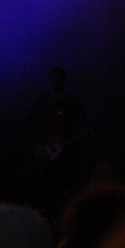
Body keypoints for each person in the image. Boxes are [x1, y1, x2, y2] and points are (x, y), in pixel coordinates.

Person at [28, 66, 86, 211]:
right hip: (47, 147)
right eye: (53, 77)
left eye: (59, 77)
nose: (56, 80)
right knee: (48, 184)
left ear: (64, 79)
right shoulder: (44, 99)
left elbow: (82, 116)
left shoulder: (70, 99)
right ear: (48, 80)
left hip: (66, 146)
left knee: (66, 183)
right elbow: (30, 117)